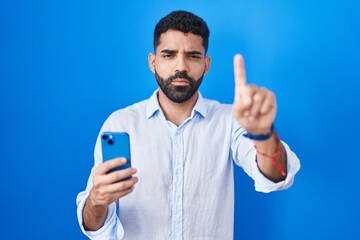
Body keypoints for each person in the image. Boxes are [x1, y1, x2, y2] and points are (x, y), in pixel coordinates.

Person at [76, 10, 300, 240]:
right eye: (169, 55)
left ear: (206, 64)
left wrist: (264, 134)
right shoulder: (121, 123)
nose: (180, 66)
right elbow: (95, 228)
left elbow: (277, 176)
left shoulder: (230, 120)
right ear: (153, 62)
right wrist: (96, 199)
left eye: (193, 55)